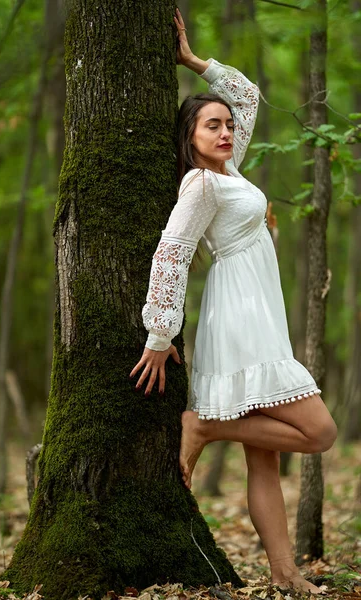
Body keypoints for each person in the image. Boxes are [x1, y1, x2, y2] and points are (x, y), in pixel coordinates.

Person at [129, 7, 337, 594]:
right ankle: (204, 428)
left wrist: (193, 61)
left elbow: (247, 95)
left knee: (263, 460)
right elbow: (171, 253)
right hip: (239, 316)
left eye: (225, 126)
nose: (224, 131)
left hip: (261, 314)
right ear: (190, 140)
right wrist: (160, 335)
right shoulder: (200, 184)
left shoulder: (233, 171)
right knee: (319, 433)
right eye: (209, 127)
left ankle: (284, 571)